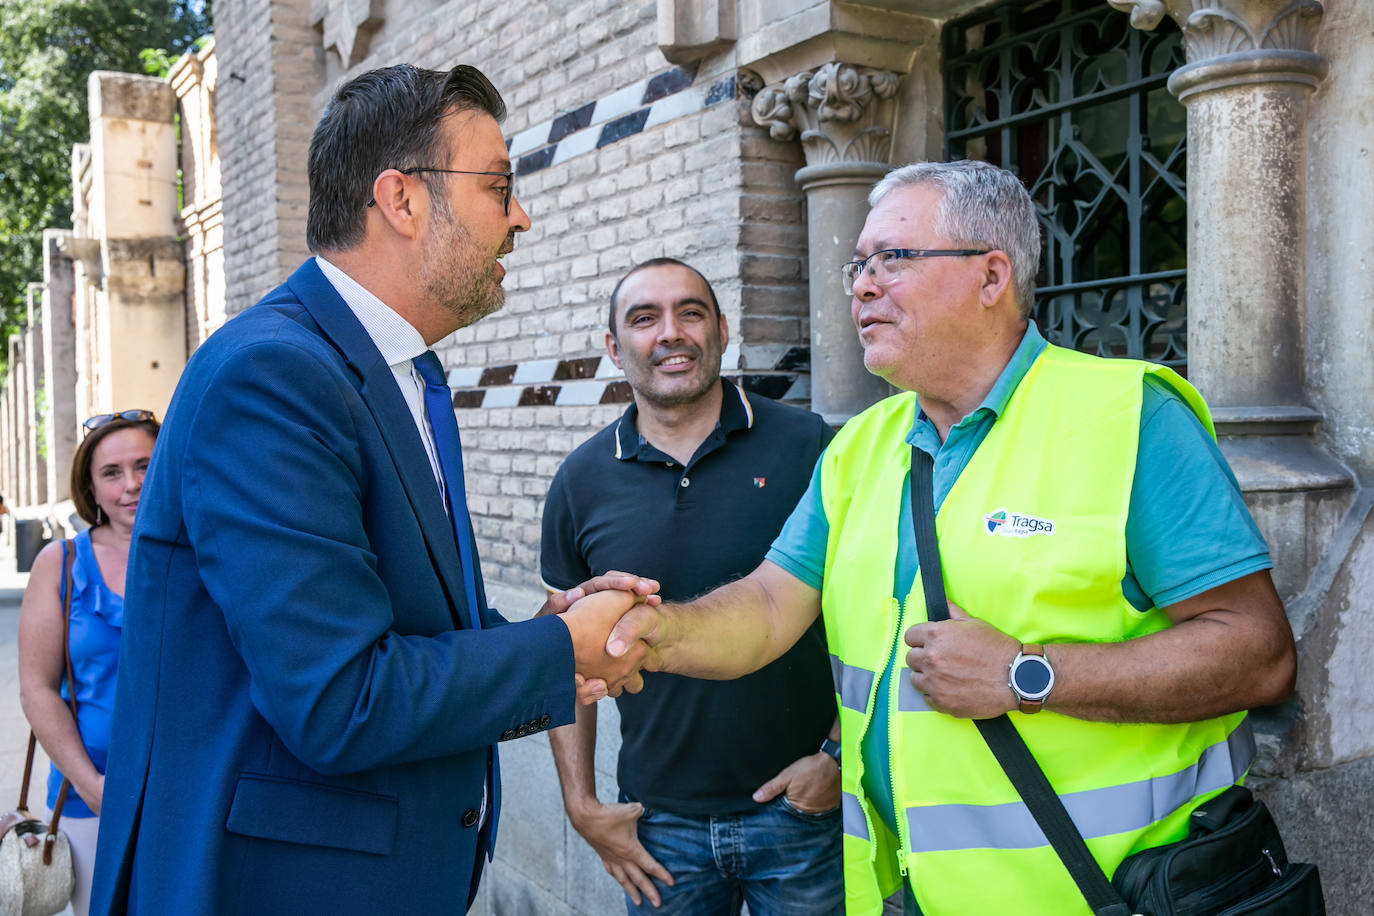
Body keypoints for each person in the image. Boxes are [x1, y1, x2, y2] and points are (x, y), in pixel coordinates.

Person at [587, 160, 1298, 914]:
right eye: (857, 265)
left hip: (1107, 895)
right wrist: (653, 632)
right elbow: (767, 609)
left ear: (992, 277)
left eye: (892, 259)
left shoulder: (1131, 419)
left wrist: (1029, 676)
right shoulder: (861, 445)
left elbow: (1259, 654)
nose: (862, 285)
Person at [89, 64, 651, 915]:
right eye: (499, 186)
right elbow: (337, 698)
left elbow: (401, 624)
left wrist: (541, 634)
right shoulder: (272, 375)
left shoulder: (402, 372)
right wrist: (562, 650)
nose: (521, 216)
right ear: (402, 200)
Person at [541, 259, 843, 914]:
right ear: (614, 348)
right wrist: (581, 803)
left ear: (723, 329)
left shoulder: (810, 446)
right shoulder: (580, 482)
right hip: (659, 826)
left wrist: (837, 757)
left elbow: (873, 607)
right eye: (645, 318)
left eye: (692, 312)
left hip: (800, 817)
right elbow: (561, 653)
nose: (671, 332)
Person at [18, 409, 160, 916]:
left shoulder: (202, 553)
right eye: (112, 473)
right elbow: (37, 687)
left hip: (191, 798)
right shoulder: (62, 564)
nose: (133, 485)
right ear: (91, 488)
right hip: (91, 799)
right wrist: (91, 786)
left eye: (146, 464)